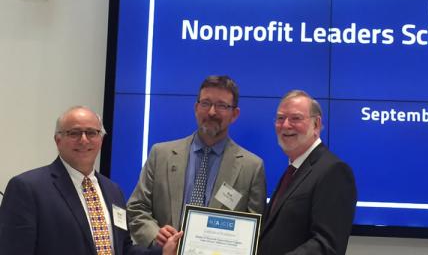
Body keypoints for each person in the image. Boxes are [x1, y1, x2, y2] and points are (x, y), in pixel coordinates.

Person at [0, 106, 181, 255]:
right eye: (74, 133)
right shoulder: (27, 188)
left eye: (92, 133)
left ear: (101, 139)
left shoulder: (113, 191)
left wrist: (162, 252)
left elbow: (122, 249)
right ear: (58, 140)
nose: (84, 140)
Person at [127, 75, 266, 247]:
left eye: (221, 105)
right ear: (196, 108)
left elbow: (255, 232)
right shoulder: (161, 154)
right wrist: (155, 235)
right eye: (206, 103)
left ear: (234, 114)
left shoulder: (251, 167)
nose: (212, 112)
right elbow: (136, 207)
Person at [258, 90, 357, 255]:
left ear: (316, 125)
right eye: (280, 118)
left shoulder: (334, 171)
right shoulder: (293, 169)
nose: (285, 125)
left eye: (295, 118)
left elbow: (327, 246)